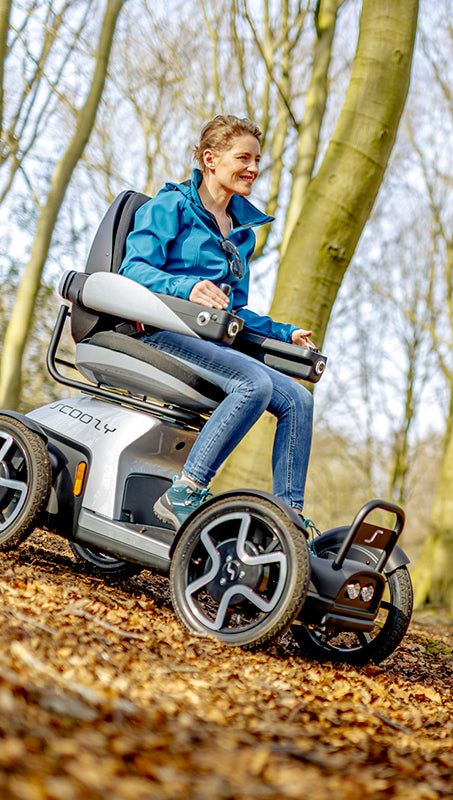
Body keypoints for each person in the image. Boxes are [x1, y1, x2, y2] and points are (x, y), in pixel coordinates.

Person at [119, 114, 316, 531]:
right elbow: (132, 270)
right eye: (243, 158)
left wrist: (285, 334)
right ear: (210, 159)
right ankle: (185, 491)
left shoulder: (241, 234)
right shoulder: (170, 206)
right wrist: (186, 288)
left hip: (211, 341)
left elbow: (234, 313)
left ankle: (289, 521)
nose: (254, 169)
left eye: (257, 160)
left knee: (298, 399)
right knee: (254, 384)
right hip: (159, 331)